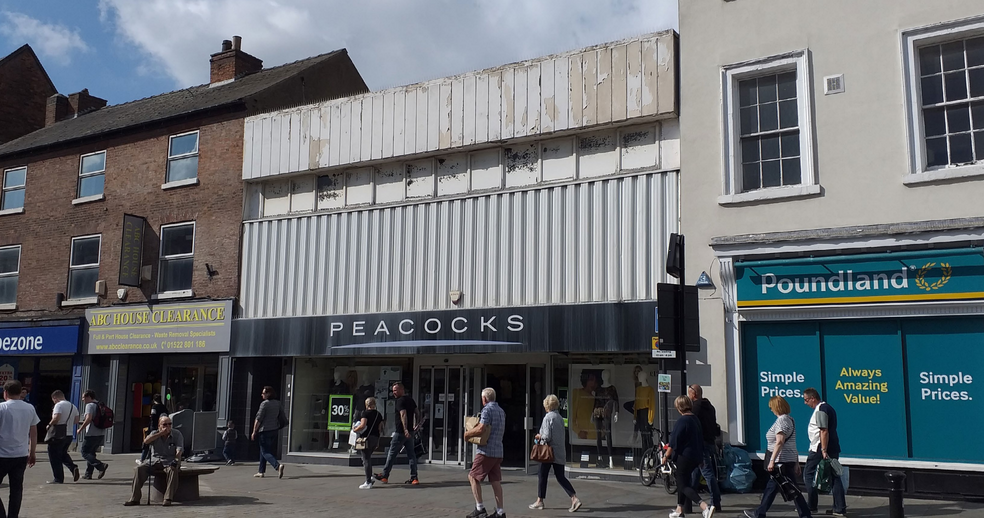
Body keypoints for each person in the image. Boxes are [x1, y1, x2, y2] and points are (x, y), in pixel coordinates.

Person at [744, 396, 812, 518]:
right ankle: (760, 512)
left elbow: (780, 442)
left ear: (776, 407)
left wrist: (772, 461)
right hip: (787, 459)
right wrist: (796, 462)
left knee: (790, 489)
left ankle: (760, 513)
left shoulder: (782, 421)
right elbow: (792, 443)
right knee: (779, 487)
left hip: (781, 461)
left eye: (771, 407)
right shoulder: (790, 420)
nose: (771, 410)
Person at [661, 395, 715, 518]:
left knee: (683, 485)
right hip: (695, 457)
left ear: (679, 407)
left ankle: (704, 507)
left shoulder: (682, 421)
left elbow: (674, 442)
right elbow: (700, 439)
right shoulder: (695, 419)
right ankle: (679, 510)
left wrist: (666, 456)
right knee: (683, 482)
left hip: (684, 457)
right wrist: (700, 458)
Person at [529, 394, 581, 513]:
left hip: (547, 452)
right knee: (560, 477)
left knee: (542, 475)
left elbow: (547, 436)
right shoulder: (560, 418)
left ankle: (540, 501)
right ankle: (574, 498)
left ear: (547, 405)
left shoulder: (548, 418)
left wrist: (538, 436)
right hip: (559, 451)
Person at [463, 387, 507, 518]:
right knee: (495, 480)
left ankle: (480, 508)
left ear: (484, 399)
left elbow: (481, 428)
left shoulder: (487, 409)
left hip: (486, 451)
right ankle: (500, 512)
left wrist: (467, 434)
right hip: (498, 450)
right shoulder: (501, 411)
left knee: (473, 476)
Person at [803, 388, 846, 517]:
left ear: (812, 398)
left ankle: (811, 506)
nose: (805, 403)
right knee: (834, 477)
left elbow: (824, 430)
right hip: (832, 447)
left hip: (820, 448)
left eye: (806, 400)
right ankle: (839, 508)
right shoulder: (828, 408)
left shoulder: (821, 409)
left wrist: (823, 450)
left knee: (808, 475)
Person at [124, 415, 184, 506]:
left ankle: (168, 498)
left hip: (169, 461)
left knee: (173, 470)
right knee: (139, 469)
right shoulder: (154, 433)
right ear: (159, 426)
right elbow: (146, 441)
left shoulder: (177, 434)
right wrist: (160, 434)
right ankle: (135, 498)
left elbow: (179, 449)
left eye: (169, 424)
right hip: (154, 460)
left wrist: (176, 459)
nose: (167, 426)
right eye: (164, 424)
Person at [0, 380, 39, 518]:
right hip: (20, 454)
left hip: (2, 454)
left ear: (5, 393)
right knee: (16, 489)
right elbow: (33, 432)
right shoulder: (30, 408)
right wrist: (32, 452)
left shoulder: (2, 408)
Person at [374, 382, 422, 485]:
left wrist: (405, 430)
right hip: (410, 432)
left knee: (391, 454)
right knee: (411, 455)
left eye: (395, 390)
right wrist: (416, 425)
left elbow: (403, 414)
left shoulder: (400, 401)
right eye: (393, 390)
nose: (394, 392)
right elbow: (417, 413)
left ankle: (385, 475)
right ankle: (414, 478)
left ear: (401, 390)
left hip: (401, 432)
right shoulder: (410, 400)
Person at [689, 384, 722, 513]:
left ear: (694, 394)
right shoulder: (710, 407)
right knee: (695, 471)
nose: (688, 396)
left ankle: (715, 502)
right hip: (709, 442)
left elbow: (692, 425)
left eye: (689, 393)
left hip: (700, 443)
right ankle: (688, 498)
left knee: (707, 473)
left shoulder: (695, 407)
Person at [251, 386, 286, 479]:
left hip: (264, 430)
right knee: (264, 450)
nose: (262, 395)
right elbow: (282, 415)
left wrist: (254, 431)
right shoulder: (278, 403)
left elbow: (258, 418)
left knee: (265, 451)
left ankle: (277, 466)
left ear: (268, 394)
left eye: (264, 393)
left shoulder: (264, 404)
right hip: (274, 430)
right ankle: (261, 471)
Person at [46, 390, 80, 483]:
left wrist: (49, 425)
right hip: (69, 434)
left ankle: (58, 478)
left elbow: (56, 417)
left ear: (55, 398)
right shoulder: (73, 406)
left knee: (54, 456)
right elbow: (76, 420)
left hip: (57, 435)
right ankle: (73, 467)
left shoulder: (59, 405)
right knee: (63, 454)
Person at [352, 397, 384, 489]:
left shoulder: (365, 413)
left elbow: (362, 425)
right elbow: (380, 428)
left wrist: (355, 429)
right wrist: (378, 441)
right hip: (375, 438)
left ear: (367, 405)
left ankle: (368, 481)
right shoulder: (378, 414)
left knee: (366, 460)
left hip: (366, 439)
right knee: (368, 458)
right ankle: (370, 477)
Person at [77, 389, 108, 480]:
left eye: (84, 397)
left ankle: (101, 466)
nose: (82, 399)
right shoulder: (100, 405)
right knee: (91, 453)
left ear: (89, 397)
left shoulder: (89, 405)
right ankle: (88, 474)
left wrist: (81, 429)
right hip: (100, 433)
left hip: (91, 433)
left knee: (84, 452)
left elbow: (88, 419)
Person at [140, 394, 169, 463]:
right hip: (162, 427)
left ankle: (142, 458)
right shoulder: (164, 407)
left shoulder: (154, 407)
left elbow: (153, 417)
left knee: (147, 443)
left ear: (154, 400)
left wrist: (151, 428)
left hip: (154, 427)